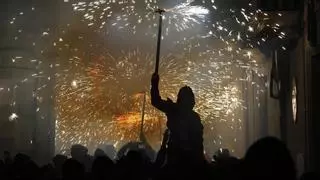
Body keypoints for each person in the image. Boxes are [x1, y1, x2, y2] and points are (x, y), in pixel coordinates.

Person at [150, 73, 204, 164]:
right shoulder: (194, 116)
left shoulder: (174, 109)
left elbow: (156, 101)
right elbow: (199, 142)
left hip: (177, 156)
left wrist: (154, 83)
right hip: (187, 158)